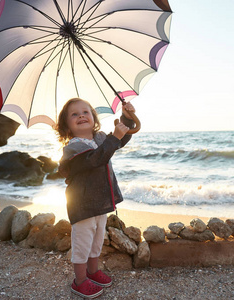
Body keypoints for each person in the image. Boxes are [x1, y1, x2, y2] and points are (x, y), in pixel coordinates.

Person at [55, 97, 135, 298]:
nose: (81, 115)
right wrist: (114, 137)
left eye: (85, 112)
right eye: (74, 114)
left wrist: (127, 117)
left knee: (97, 239)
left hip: (100, 202)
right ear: (67, 125)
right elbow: (96, 159)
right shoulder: (73, 147)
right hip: (82, 205)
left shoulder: (100, 138)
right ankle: (79, 281)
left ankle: (93, 271)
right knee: (83, 243)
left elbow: (120, 140)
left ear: (93, 117)